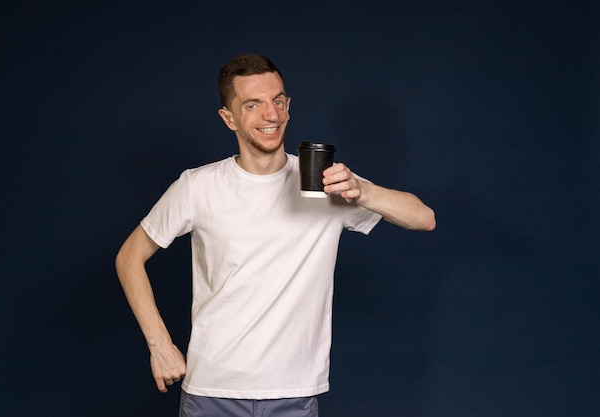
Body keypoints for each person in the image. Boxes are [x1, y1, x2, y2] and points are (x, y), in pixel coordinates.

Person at [115, 52, 436, 417]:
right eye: (253, 104)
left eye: (278, 101)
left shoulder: (325, 182)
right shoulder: (196, 186)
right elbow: (129, 257)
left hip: (294, 395)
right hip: (212, 391)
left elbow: (423, 218)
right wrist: (159, 343)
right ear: (228, 118)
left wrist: (364, 192)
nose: (272, 115)